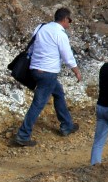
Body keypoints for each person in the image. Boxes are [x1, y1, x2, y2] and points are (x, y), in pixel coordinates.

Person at [14, 8, 81, 147]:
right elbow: (67, 56)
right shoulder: (60, 34)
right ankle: (23, 135)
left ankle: (67, 125)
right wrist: (76, 72)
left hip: (35, 70)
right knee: (38, 104)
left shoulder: (41, 27)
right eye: (70, 21)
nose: (70, 24)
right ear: (65, 19)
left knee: (58, 93)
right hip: (48, 72)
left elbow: (32, 47)